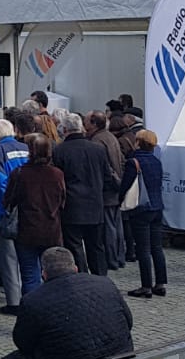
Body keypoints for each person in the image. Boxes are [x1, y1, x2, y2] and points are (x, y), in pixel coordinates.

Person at [0, 247, 134, 359]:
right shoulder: (106, 283)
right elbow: (128, 322)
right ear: (75, 268)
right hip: (118, 355)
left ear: (44, 274)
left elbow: (23, 343)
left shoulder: (33, 300)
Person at [51, 113, 117, 276]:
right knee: (96, 246)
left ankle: (81, 277)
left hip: (71, 207)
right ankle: (101, 280)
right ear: (80, 127)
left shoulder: (59, 150)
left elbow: (57, 181)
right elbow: (107, 177)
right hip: (95, 205)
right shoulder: (98, 149)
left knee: (74, 246)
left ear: (65, 129)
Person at [3, 134, 65, 294]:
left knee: (30, 275)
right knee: (53, 273)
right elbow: (63, 201)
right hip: (52, 229)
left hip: (27, 229)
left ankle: (32, 311)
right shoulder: (57, 173)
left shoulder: (20, 173)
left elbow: (9, 200)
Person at [0, 118, 29, 313]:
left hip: (4, 212)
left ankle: (14, 301)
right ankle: (31, 295)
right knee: (27, 256)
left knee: (8, 258)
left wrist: (11, 203)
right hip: (28, 209)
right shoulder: (26, 147)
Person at [117, 129, 167, 298]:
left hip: (141, 208)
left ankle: (146, 285)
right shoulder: (156, 161)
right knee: (157, 247)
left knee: (143, 249)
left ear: (138, 142)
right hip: (157, 207)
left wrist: (119, 200)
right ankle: (160, 283)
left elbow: (126, 185)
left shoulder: (134, 162)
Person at [87, 111, 125, 271]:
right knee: (116, 225)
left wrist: (109, 182)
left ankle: (112, 259)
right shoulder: (110, 137)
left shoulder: (97, 141)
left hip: (107, 191)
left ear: (94, 123)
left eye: (86, 121)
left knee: (109, 227)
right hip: (115, 189)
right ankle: (119, 257)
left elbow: (105, 167)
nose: (84, 124)